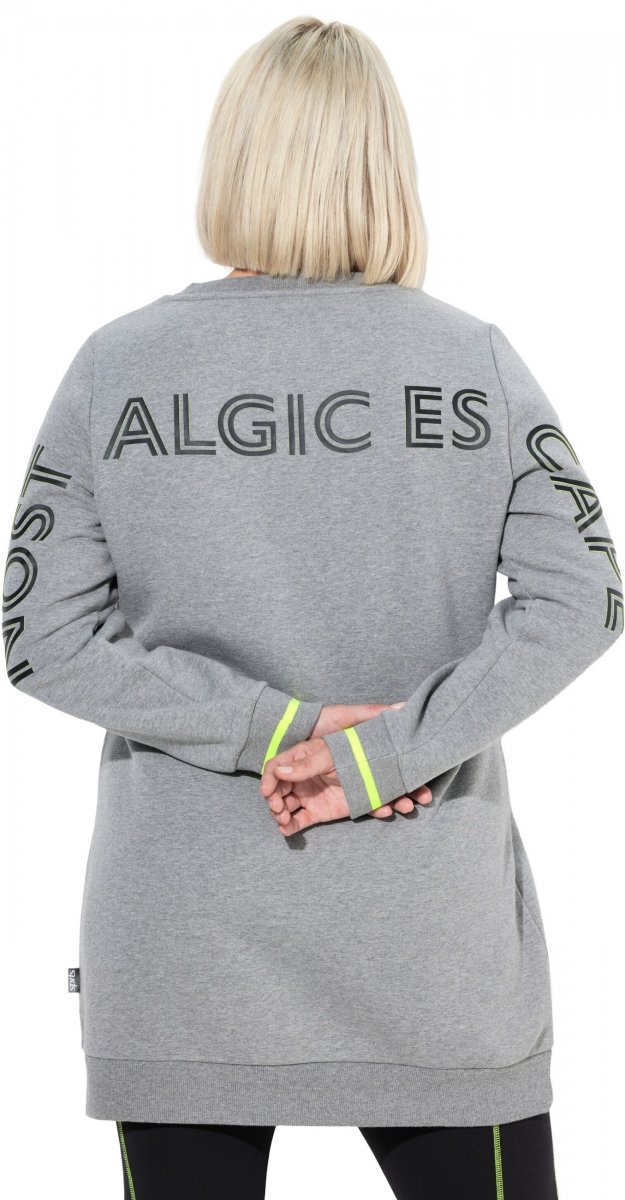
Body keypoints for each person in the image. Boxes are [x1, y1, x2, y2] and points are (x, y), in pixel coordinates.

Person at [4, 15, 621, 1200]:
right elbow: (582, 597)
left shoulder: (118, 369)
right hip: (425, 937)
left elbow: (41, 636)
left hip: (184, 937)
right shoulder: (471, 363)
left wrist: (281, 731)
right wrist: (377, 752)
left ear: (231, 158)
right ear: (385, 165)